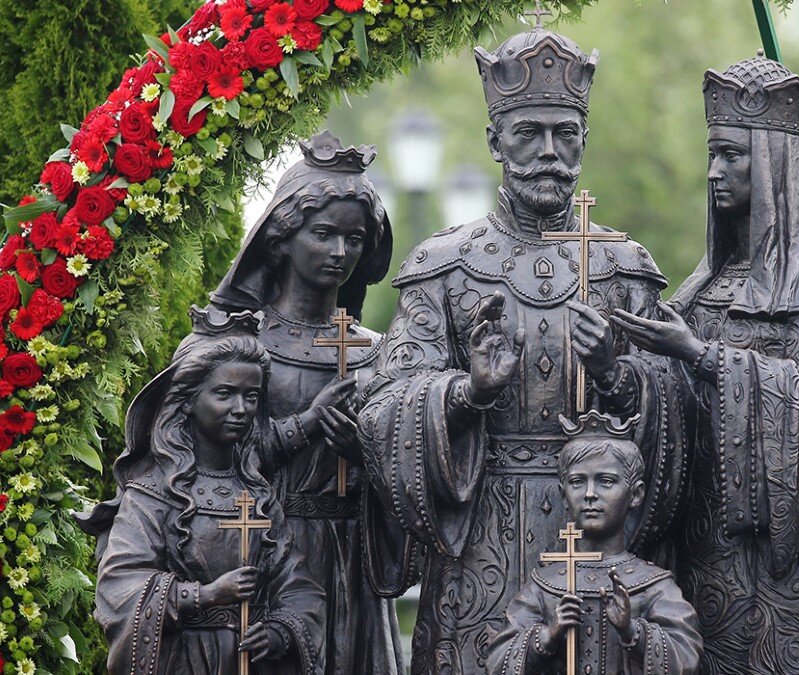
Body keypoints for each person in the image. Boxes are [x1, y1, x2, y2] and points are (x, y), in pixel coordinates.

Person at [357, 24, 687, 673]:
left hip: (599, 529)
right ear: (494, 141)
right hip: (482, 529)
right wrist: (467, 390)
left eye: (565, 134)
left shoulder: (624, 269)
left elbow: (680, 412)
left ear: (584, 140)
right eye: (528, 133)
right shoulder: (445, 266)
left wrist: (617, 375)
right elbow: (383, 406)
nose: (548, 152)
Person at [612, 54, 799, 673]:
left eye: (732, 155)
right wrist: (616, 371)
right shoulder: (701, 287)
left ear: (774, 161)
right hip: (698, 552)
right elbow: (666, 399)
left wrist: (702, 355)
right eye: (712, 154)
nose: (714, 172)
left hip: (783, 570)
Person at [201, 130, 414, 674]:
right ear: (282, 237)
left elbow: (409, 468)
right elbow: (202, 461)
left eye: (355, 239)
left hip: (356, 562)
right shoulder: (235, 344)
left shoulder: (380, 353)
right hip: (265, 552)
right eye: (323, 234)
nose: (340, 253)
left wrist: (369, 452)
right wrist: (305, 425)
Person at [80, 330, 324, 674]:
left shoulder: (257, 494)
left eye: (251, 396)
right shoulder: (152, 493)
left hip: (251, 663)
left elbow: (298, 584)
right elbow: (120, 585)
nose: (240, 409)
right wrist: (205, 595)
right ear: (189, 400)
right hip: (182, 660)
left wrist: (278, 632)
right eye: (224, 394)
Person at [488, 412, 702, 675]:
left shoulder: (653, 586)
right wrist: (547, 636)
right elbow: (497, 663)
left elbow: (686, 657)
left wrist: (631, 630)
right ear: (563, 495)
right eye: (578, 482)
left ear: (635, 494)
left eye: (606, 481)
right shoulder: (545, 586)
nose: (590, 494)